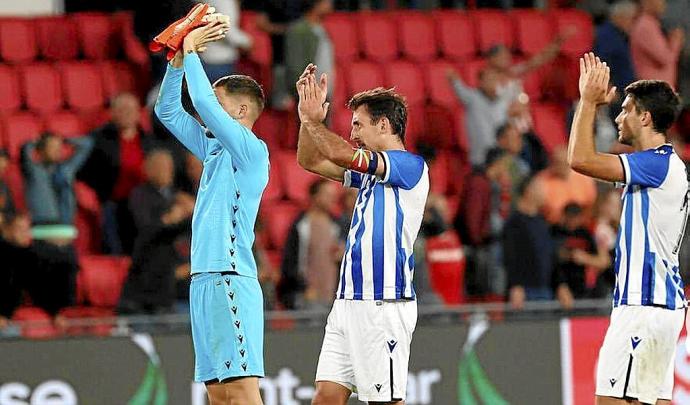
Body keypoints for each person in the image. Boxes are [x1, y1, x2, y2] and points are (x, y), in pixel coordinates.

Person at [296, 63, 429, 405]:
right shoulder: (369, 175)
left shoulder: (409, 166)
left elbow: (340, 153)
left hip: (383, 302)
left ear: (383, 124)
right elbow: (309, 160)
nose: (353, 132)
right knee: (326, 396)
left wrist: (315, 122)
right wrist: (305, 118)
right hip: (347, 301)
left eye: (358, 124)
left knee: (385, 401)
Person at [154, 13, 269, 405]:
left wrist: (190, 48)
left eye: (219, 107)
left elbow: (200, 98)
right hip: (204, 281)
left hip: (230, 278)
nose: (208, 113)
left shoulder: (251, 151)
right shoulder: (214, 149)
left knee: (242, 392)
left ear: (239, 113)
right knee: (218, 395)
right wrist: (175, 64)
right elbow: (167, 112)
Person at [569, 52, 686, 405]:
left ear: (645, 117)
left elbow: (579, 159)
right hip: (660, 307)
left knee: (610, 400)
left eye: (626, 109)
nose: (618, 116)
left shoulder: (653, 164)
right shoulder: (664, 165)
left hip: (643, 306)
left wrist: (587, 102)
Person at [118, 149, 194, 314]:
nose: (167, 171)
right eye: (160, 166)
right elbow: (147, 230)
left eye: (169, 166)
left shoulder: (178, 196)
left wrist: (195, 211)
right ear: (148, 169)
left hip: (181, 270)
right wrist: (169, 219)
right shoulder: (140, 195)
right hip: (150, 273)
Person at [78, 92, 155, 254]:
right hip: (112, 201)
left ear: (138, 113)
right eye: (121, 109)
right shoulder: (98, 140)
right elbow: (82, 173)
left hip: (145, 201)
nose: (126, 113)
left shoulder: (149, 140)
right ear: (112, 114)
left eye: (130, 109)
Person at [502, 176, 573, 310]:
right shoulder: (514, 224)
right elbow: (511, 257)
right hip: (525, 292)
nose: (545, 192)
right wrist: (516, 285)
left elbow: (551, 256)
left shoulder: (542, 222)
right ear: (529, 190)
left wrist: (560, 285)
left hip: (545, 290)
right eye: (541, 188)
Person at [278, 179, 341, 310]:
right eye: (327, 195)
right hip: (305, 296)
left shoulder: (338, 226)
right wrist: (303, 287)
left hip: (333, 295)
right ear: (315, 196)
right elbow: (290, 261)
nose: (332, 199)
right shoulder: (301, 225)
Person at [446, 67, 520, 167]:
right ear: (480, 82)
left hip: (501, 160)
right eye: (489, 79)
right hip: (480, 160)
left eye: (494, 79)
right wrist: (453, 78)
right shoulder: (472, 98)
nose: (492, 82)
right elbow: (458, 87)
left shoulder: (503, 103)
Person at [22, 132, 93, 226]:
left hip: (66, 223)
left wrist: (65, 139)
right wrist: (34, 142)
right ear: (41, 150)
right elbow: (25, 152)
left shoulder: (66, 168)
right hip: (43, 223)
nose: (57, 150)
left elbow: (87, 144)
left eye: (59, 147)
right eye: (52, 147)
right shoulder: (34, 170)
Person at [552, 203, 610, 299]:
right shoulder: (555, 232)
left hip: (584, 288)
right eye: (570, 217)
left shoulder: (585, 234)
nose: (572, 221)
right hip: (560, 285)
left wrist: (584, 258)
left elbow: (603, 262)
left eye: (575, 217)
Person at [285, 0, 335, 103]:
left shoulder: (323, 29)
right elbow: (295, 65)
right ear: (316, 4)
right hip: (307, 95)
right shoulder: (298, 30)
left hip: (325, 92)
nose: (331, 3)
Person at [536, 145, 597, 224]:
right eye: (556, 162)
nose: (560, 166)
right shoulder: (541, 181)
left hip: (581, 225)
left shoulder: (584, 178)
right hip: (553, 227)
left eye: (563, 163)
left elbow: (592, 205)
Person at [630, 0, 684, 88]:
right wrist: (676, 40)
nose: (663, 4)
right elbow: (665, 58)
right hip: (654, 91)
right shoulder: (645, 26)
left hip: (659, 89)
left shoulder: (652, 23)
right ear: (648, 2)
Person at [198, 0, 253, 82]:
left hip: (207, 57)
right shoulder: (225, 2)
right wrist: (247, 42)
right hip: (220, 62)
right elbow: (226, 29)